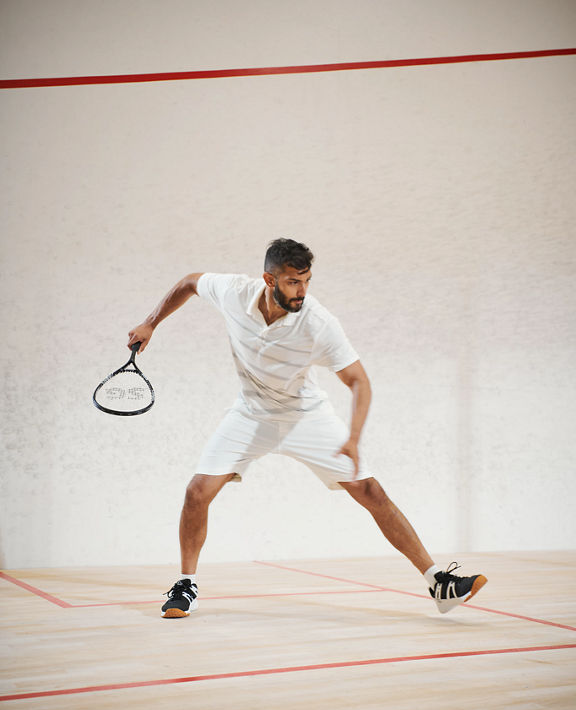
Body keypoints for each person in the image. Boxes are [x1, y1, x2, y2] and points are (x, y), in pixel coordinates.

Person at [128, 238, 487, 618]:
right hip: (250, 414)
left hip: (305, 415)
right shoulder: (233, 292)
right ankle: (186, 585)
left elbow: (359, 381)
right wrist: (150, 323)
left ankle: (439, 583)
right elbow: (189, 282)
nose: (302, 290)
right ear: (269, 279)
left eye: (307, 280)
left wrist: (353, 437)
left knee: (370, 491)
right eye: (292, 282)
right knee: (197, 492)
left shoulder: (318, 323)